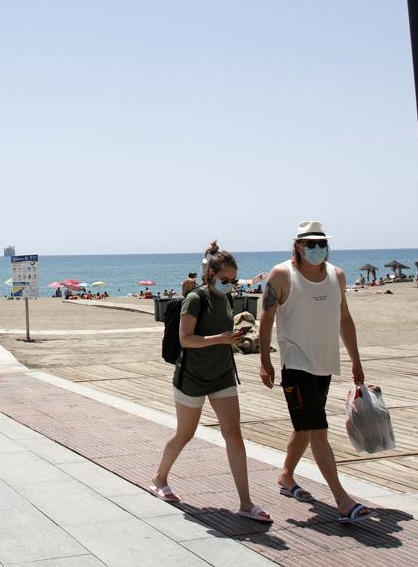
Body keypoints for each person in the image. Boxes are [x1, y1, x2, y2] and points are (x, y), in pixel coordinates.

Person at [257, 221, 374, 523]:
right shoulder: (282, 275)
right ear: (297, 245)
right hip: (296, 364)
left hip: (325, 364)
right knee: (319, 430)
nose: (316, 248)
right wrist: (264, 359)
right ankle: (342, 500)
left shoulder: (337, 276)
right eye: (310, 244)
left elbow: (344, 318)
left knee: (306, 428)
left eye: (320, 243)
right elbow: (266, 317)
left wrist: (356, 360)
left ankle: (285, 477)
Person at [150, 244, 272, 523]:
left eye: (233, 280)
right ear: (211, 275)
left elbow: (221, 330)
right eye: (225, 280)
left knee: (234, 434)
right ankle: (159, 478)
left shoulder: (225, 299)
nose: (231, 285)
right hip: (192, 377)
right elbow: (185, 339)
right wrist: (221, 338)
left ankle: (245, 502)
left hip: (222, 374)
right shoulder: (195, 299)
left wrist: (232, 337)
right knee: (185, 434)